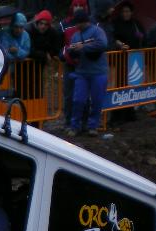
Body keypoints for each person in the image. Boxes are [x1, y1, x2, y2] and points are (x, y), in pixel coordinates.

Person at [66, 9, 109, 137]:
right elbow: (71, 52)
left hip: (98, 72)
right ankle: (75, 126)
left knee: (97, 101)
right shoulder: (75, 35)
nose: (76, 25)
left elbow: (103, 44)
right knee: (78, 100)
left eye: (78, 23)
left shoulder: (97, 31)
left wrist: (83, 47)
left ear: (84, 21)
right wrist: (72, 50)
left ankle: (93, 126)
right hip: (82, 72)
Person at [27, 11, 61, 98]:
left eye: (46, 24)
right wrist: (45, 55)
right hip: (27, 64)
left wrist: (50, 53)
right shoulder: (29, 30)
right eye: (41, 23)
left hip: (41, 63)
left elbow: (56, 47)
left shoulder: (53, 32)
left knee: (38, 86)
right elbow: (28, 49)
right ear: (37, 22)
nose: (43, 26)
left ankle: (38, 105)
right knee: (26, 86)